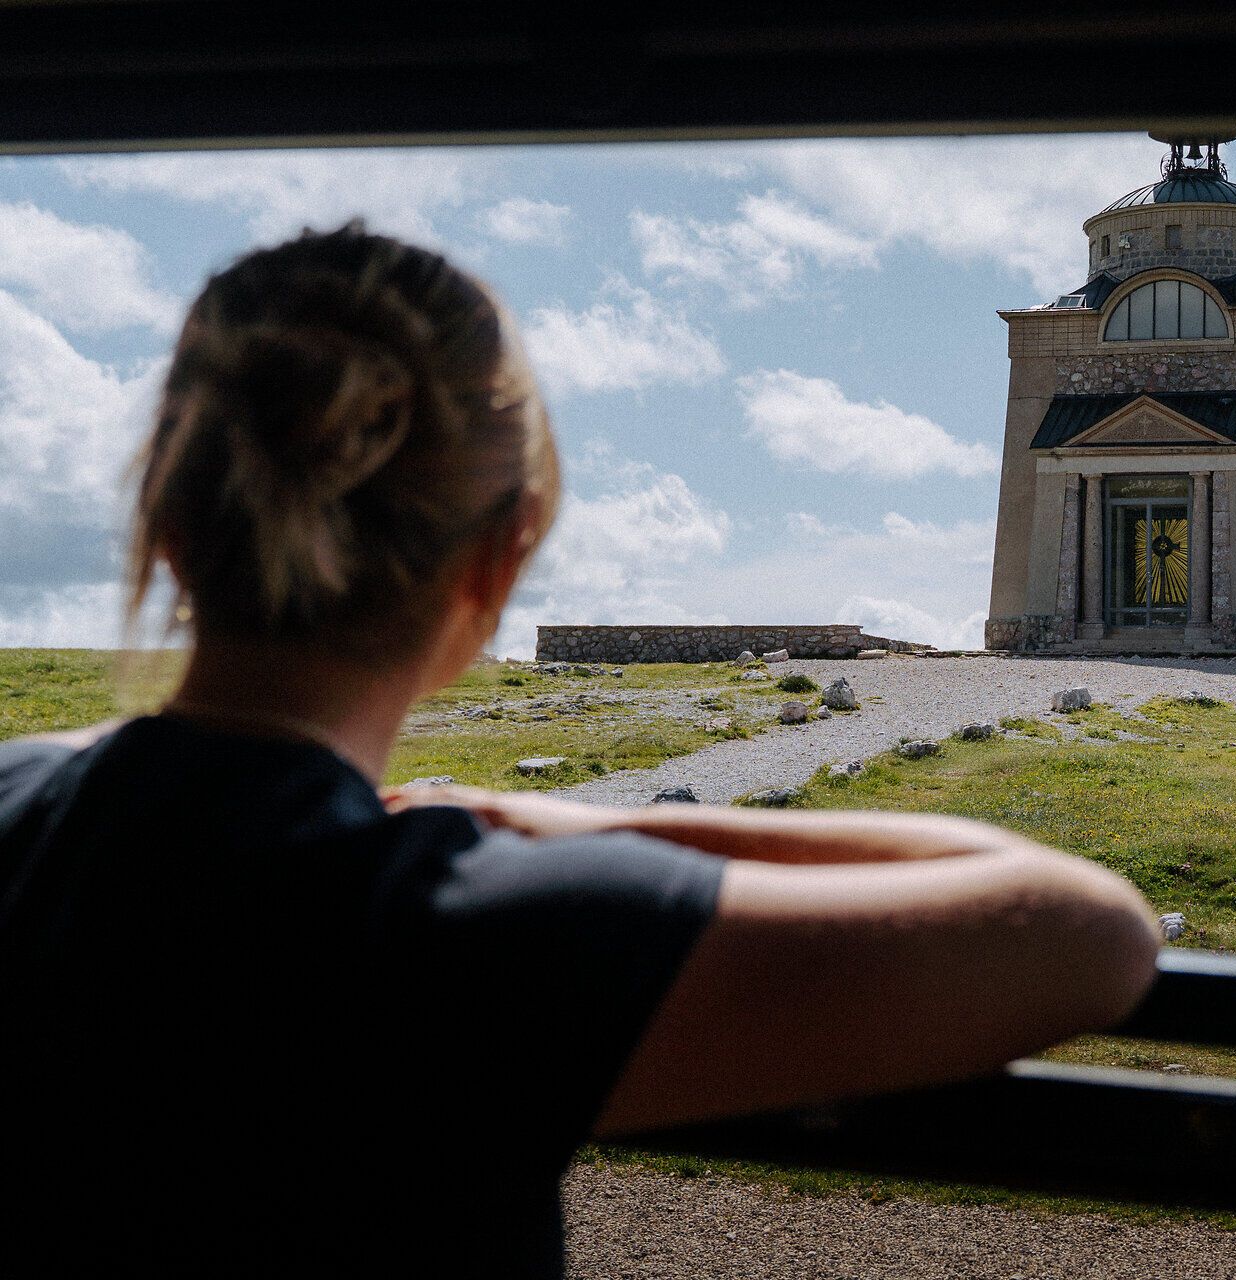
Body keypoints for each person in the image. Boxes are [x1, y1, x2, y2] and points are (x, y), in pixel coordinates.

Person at [0, 224, 1162, 1276]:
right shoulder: (476, 929)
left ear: (164, 519)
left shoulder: (24, 806)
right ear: (499, 563)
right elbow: (1088, 931)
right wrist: (553, 823)